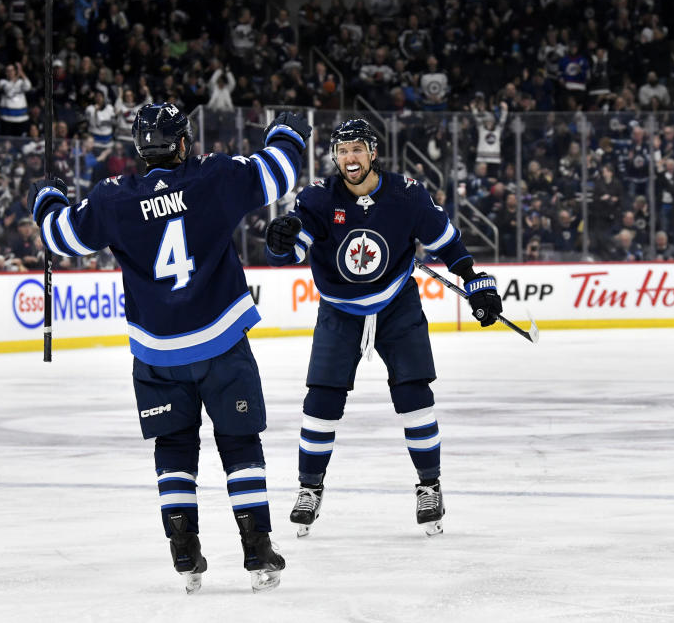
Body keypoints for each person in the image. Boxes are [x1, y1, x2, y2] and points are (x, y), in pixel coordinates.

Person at [26, 104, 310, 594]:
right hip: (220, 344)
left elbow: (61, 235)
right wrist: (285, 130)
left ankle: (183, 550)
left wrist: (47, 199)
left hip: (156, 356)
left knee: (173, 448)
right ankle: (256, 548)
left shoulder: (113, 198)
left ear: (140, 149)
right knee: (240, 443)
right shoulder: (214, 177)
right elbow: (280, 172)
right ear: (182, 143)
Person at [263, 118, 502, 538]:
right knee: (321, 399)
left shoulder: (407, 195)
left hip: (396, 304)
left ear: (373, 153)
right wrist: (280, 240)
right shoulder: (318, 198)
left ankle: (430, 485)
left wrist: (476, 283)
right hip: (340, 311)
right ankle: (309, 489)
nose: (349, 158)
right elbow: (293, 248)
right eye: (342, 150)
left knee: (414, 395)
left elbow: (448, 243)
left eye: (357, 149)